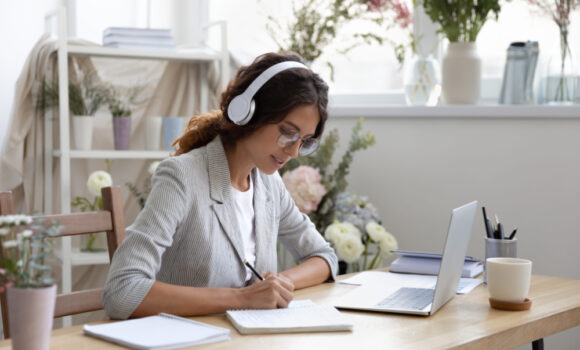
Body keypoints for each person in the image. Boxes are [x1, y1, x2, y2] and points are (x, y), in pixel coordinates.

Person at [103, 52, 338, 320]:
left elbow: (323, 257)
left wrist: (276, 286)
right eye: (288, 132)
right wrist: (243, 299)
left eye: (305, 140)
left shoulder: (269, 185)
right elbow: (122, 291)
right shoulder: (182, 177)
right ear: (248, 112)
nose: (294, 151)